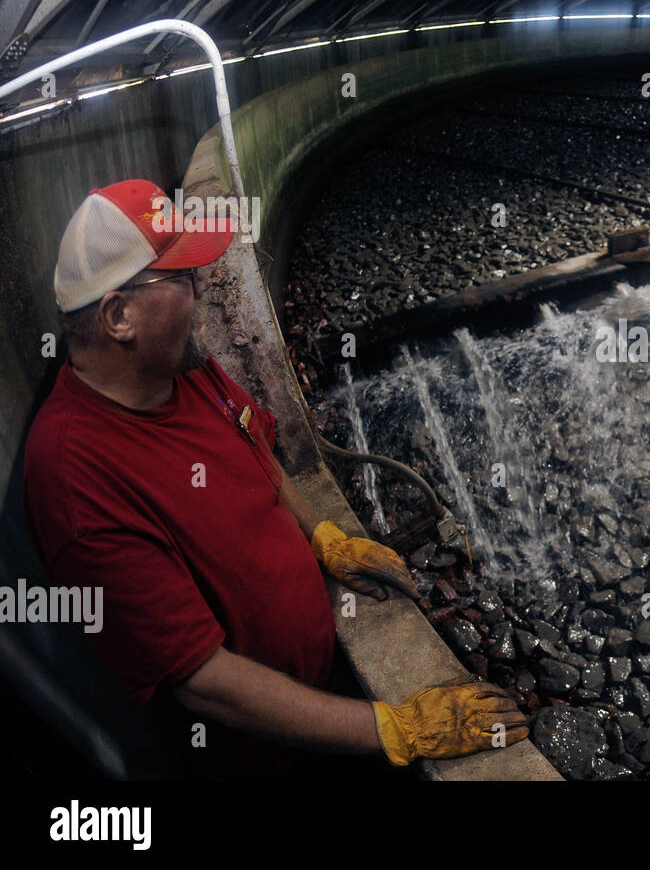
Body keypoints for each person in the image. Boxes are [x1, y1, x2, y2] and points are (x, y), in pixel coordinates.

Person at [22, 179, 527, 778]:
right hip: (268, 749)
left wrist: (324, 540)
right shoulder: (76, 477)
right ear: (119, 314)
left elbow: (254, 445)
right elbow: (204, 681)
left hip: (321, 663)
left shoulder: (185, 368)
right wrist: (396, 727)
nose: (206, 283)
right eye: (184, 277)